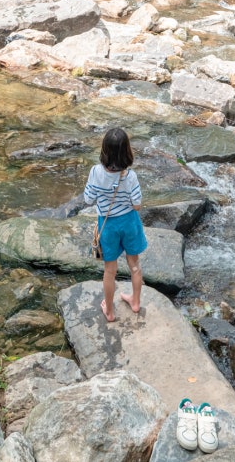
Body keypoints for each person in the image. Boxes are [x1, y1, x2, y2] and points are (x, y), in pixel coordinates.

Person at [84, 127, 147, 323]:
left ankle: (110, 312)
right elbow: (137, 205)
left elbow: (88, 199)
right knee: (134, 265)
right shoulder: (130, 176)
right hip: (129, 222)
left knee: (109, 270)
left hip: (108, 225)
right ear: (127, 151)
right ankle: (135, 302)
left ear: (104, 150)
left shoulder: (95, 172)